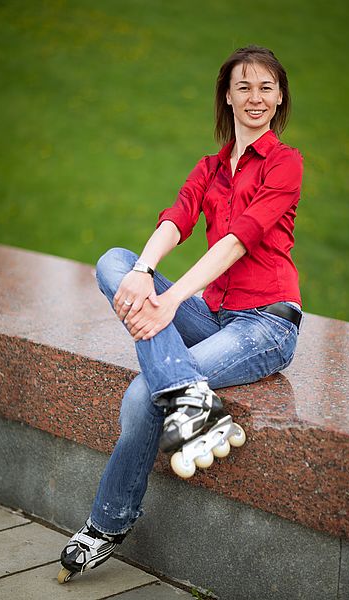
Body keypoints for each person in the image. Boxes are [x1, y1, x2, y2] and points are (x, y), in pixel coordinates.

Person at [58, 44, 304, 583]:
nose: (255, 97)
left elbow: (240, 240)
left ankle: (107, 524)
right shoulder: (211, 167)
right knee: (114, 263)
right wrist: (145, 271)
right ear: (227, 96)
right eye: (244, 86)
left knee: (145, 392)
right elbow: (177, 217)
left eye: (266, 87)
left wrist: (169, 300)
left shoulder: (285, 163)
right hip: (211, 316)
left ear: (280, 95)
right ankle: (193, 400)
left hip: (264, 323)